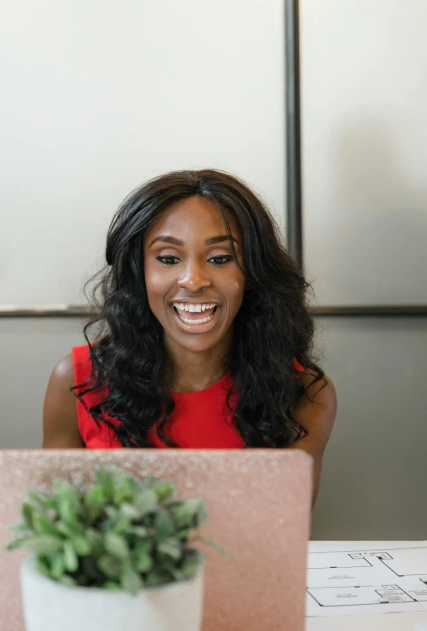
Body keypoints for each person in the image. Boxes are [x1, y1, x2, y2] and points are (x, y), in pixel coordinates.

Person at [43, 169, 337, 506]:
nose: (194, 280)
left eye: (220, 259)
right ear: (140, 273)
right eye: (168, 258)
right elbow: (52, 530)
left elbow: (282, 527)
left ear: (254, 273)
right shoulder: (76, 380)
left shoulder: (306, 393)